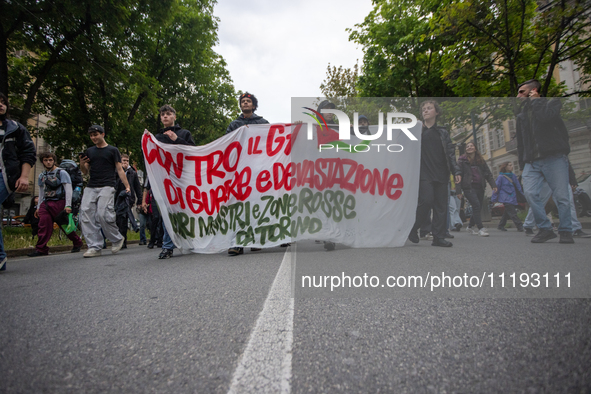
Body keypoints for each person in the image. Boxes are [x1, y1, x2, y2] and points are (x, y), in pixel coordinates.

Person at [516, 79, 573, 243]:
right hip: (532, 161)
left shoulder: (551, 104)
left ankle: (566, 230)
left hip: (554, 157)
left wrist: (536, 101)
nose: (518, 95)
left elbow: (545, 118)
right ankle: (545, 228)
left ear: (533, 91)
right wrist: (522, 164)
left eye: (522, 92)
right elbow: (521, 143)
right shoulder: (522, 115)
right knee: (530, 193)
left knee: (562, 197)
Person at [408, 100, 461, 247]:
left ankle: (438, 237)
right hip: (424, 174)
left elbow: (450, 153)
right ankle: (413, 228)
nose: (425, 111)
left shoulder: (443, 132)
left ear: (436, 112)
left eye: (429, 108)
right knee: (426, 200)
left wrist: (456, 170)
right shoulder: (418, 132)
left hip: (442, 173)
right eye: (424, 109)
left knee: (441, 206)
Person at [148, 104, 195, 259]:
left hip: (182, 178)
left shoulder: (184, 133)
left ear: (175, 116)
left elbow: (193, 152)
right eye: (162, 114)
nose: (165, 117)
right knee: (167, 212)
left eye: (168, 114)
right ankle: (168, 246)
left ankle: (189, 239)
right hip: (165, 179)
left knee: (184, 212)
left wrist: (177, 140)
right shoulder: (156, 137)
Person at [226, 92, 269, 256]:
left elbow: (270, 144)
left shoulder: (263, 123)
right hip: (239, 171)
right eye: (243, 101)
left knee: (257, 205)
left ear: (253, 105)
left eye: (248, 101)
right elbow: (227, 144)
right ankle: (238, 242)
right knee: (239, 206)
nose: (245, 103)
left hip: (258, 171)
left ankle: (256, 239)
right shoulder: (234, 125)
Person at [79, 125, 130, 257]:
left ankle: (117, 238)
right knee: (85, 213)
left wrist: (127, 185)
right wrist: (81, 163)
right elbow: (85, 172)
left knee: (103, 214)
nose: (93, 137)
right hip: (91, 185)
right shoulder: (89, 151)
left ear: (103, 134)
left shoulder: (113, 150)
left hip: (107, 185)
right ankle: (94, 246)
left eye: (95, 134)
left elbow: (119, 169)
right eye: (91, 135)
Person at [0, 92, 36, 271]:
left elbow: (28, 153)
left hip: (5, 176)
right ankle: (1, 257)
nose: (1, 105)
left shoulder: (15, 128)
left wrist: (24, 176)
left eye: (3, 102)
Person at [27, 152, 84, 256]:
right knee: (43, 225)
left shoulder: (62, 173)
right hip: (47, 203)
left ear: (54, 161)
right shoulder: (42, 175)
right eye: (45, 160)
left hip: (59, 202)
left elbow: (68, 189)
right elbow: (41, 192)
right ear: (42, 161)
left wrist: (68, 205)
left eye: (50, 160)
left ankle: (77, 242)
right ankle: (41, 249)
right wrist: (39, 207)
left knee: (64, 225)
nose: (48, 162)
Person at [456, 141, 497, 236]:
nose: (469, 147)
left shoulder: (480, 160)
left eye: (471, 146)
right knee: (476, 205)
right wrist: (459, 191)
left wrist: (493, 185)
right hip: (468, 187)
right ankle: (481, 228)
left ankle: (470, 226)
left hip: (480, 186)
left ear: (475, 148)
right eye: (467, 146)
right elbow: (458, 176)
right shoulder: (462, 160)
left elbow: (487, 173)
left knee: (477, 207)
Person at [115, 154, 142, 249]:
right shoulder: (116, 172)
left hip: (128, 200)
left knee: (124, 220)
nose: (125, 163)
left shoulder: (132, 173)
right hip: (118, 198)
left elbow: (137, 187)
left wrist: (139, 200)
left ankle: (123, 241)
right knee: (118, 220)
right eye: (123, 161)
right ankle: (119, 239)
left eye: (126, 161)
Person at [491, 161, 524, 232]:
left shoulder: (513, 176)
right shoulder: (501, 177)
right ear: (505, 167)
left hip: (513, 197)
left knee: (507, 212)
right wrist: (494, 198)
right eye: (510, 165)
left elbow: (518, 187)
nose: (511, 166)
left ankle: (501, 225)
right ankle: (520, 226)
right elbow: (496, 188)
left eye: (511, 165)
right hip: (505, 197)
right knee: (513, 213)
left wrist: (522, 195)